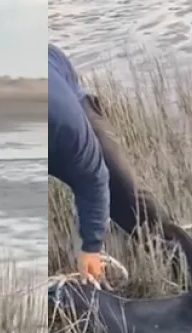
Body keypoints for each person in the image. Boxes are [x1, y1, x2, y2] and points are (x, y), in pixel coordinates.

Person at [49, 43, 172, 283]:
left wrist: (91, 247)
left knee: (124, 194)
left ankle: (179, 259)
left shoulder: (65, 124)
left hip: (56, 74)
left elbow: (93, 178)